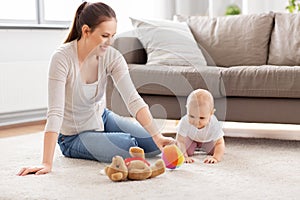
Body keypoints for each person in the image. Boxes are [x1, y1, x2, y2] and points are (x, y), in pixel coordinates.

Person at [18, 1, 174, 176]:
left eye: (113, 35)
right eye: (105, 35)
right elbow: (55, 112)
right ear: (86, 31)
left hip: (102, 118)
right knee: (129, 146)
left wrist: (157, 136)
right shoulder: (62, 58)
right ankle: (93, 145)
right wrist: (46, 163)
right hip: (73, 135)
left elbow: (133, 99)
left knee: (152, 143)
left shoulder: (112, 57)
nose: (110, 42)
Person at [176, 89, 225, 164]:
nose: (196, 121)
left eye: (201, 118)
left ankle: (204, 146)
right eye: (192, 116)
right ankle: (194, 144)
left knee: (213, 151)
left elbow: (220, 143)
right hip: (191, 138)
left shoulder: (214, 123)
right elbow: (180, 140)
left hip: (208, 140)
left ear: (211, 113)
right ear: (187, 109)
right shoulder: (185, 121)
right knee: (186, 150)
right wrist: (184, 156)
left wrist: (215, 158)